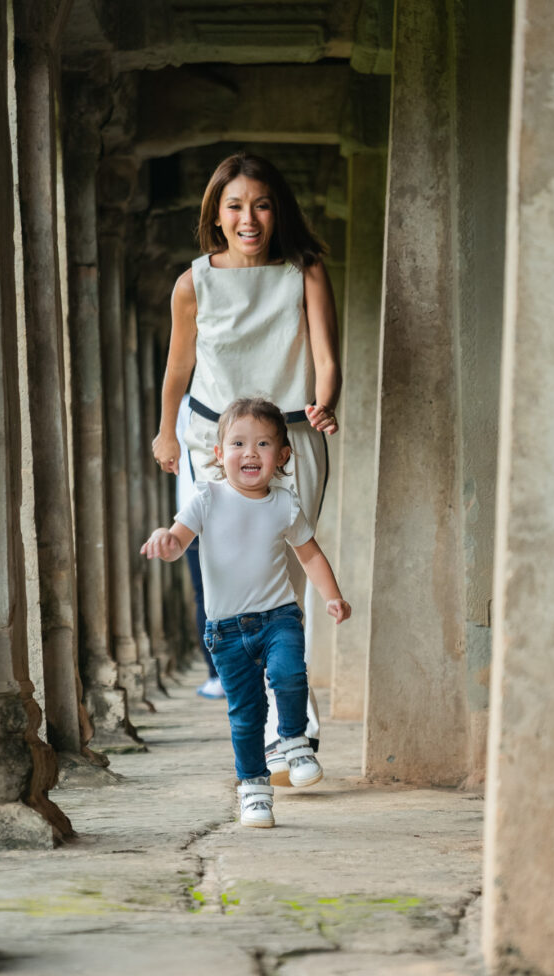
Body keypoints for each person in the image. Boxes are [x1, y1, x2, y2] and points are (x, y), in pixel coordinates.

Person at [150, 152, 342, 778]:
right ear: (216, 214)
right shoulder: (193, 282)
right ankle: (265, 719)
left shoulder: (304, 270)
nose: (248, 217)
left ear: (276, 208)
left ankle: (294, 727)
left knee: (290, 571)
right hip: (212, 440)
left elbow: (326, 355)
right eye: (234, 205)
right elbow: (178, 370)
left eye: (260, 203)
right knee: (228, 573)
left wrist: (325, 402)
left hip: (289, 436)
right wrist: (165, 434)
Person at [141, 398, 351, 829]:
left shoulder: (285, 504)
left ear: (283, 456)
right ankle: (254, 791)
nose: (250, 453)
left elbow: (310, 557)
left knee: (291, 674)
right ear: (219, 455)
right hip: (226, 631)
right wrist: (165, 539)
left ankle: (293, 740)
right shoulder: (207, 497)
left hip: (278, 617)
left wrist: (332, 596)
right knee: (246, 713)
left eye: (262, 444)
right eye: (237, 443)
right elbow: (180, 540)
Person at [175, 395, 224, 699]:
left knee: (206, 596)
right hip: (198, 511)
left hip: (194, 507)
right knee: (211, 597)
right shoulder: (186, 403)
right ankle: (221, 673)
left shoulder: (187, 402)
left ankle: (218, 675)